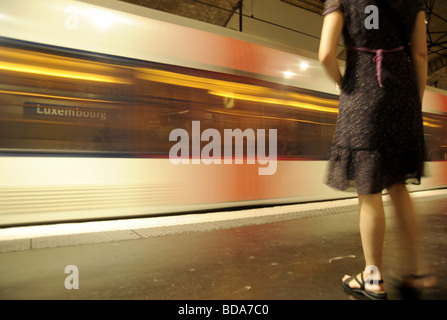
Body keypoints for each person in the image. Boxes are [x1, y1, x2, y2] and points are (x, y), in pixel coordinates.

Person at [319, 0, 432, 299]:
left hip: (363, 92)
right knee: (397, 186)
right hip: (403, 93)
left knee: (369, 190)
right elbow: (421, 55)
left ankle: (372, 278)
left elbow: (326, 54)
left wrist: (344, 83)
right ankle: (415, 271)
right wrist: (412, 104)